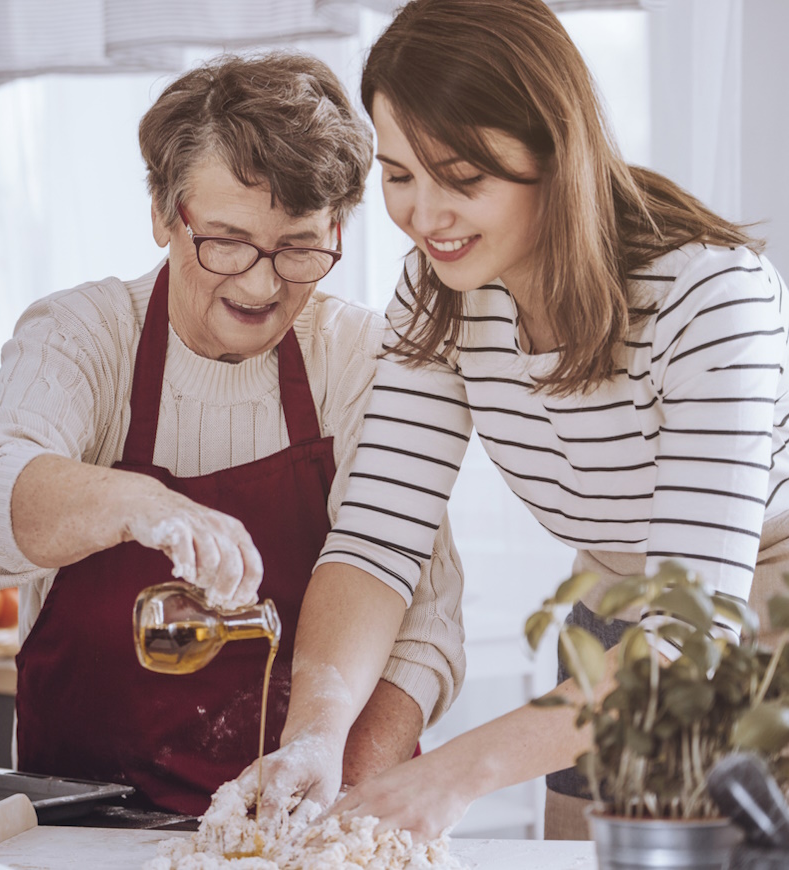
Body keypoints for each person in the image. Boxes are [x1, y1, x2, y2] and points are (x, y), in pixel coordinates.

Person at [248, 0, 788, 840]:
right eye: (398, 176)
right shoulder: (439, 295)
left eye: (462, 178)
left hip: (755, 618)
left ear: (557, 151)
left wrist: (454, 771)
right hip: (615, 616)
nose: (424, 217)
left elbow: (691, 630)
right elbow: (375, 543)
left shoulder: (710, 296)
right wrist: (315, 732)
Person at [0, 52, 466, 816]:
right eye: (225, 241)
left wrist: (328, 804)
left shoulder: (363, 357)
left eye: (297, 247)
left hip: (308, 834)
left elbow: (422, 624)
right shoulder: (83, 334)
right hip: (92, 838)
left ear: (337, 227)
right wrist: (138, 504)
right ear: (163, 212)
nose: (259, 285)